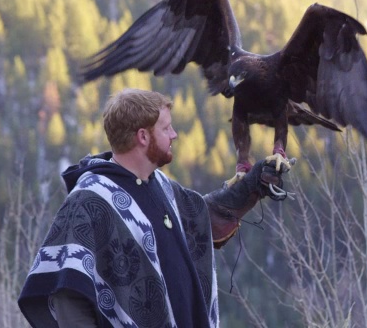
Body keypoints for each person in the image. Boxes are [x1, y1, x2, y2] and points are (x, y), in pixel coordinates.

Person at [18, 88, 292, 327]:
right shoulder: (89, 201)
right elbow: (69, 293)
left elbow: (198, 221)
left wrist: (252, 186)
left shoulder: (158, 184)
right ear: (143, 137)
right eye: (165, 128)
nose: (174, 134)